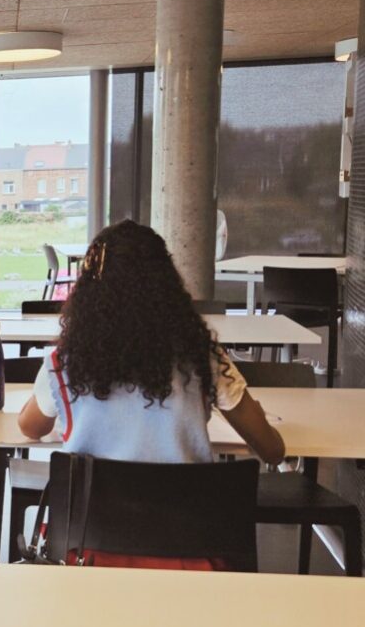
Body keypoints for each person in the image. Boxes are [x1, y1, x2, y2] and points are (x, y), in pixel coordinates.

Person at [17, 221, 285, 565]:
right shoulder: (202, 357)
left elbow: (30, 427)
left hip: (88, 556)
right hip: (191, 555)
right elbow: (273, 450)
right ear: (167, 284)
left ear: (90, 292)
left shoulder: (66, 362)